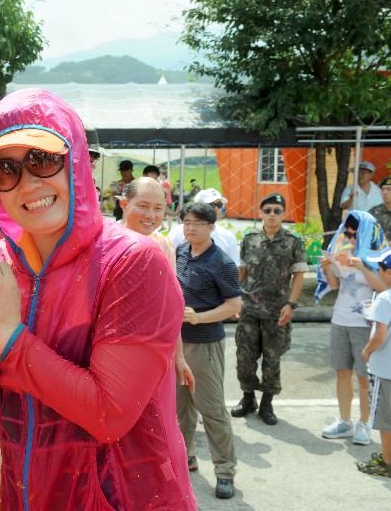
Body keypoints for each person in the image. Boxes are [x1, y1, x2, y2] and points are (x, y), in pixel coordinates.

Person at [0, 89, 194, 509]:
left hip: (120, 496)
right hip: (29, 495)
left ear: (76, 160)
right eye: (4, 170)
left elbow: (109, 414)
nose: (28, 183)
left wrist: (8, 335)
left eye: (43, 160)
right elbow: (0, 408)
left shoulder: (132, 262)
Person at [175, 201, 242, 499]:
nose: (191, 228)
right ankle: (184, 458)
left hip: (205, 345)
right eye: (187, 221)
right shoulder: (181, 252)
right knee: (180, 411)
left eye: (198, 223)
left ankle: (225, 471)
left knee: (212, 411)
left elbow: (234, 306)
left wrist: (199, 317)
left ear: (212, 226)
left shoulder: (222, 263)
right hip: (175, 345)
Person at [232, 193, 309, 425]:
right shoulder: (249, 239)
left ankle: (267, 403)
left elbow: (299, 275)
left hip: (277, 312)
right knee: (244, 358)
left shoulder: (293, 242)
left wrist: (290, 304)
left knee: (272, 359)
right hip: (249, 309)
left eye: (277, 210)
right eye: (268, 211)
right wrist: (234, 298)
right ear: (261, 213)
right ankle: (248, 398)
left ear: (283, 213)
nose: (272, 215)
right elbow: (242, 271)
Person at [120, 177, 196, 393]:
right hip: (113, 349)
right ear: (124, 204)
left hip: (154, 349)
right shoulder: (105, 241)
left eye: (158, 208)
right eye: (143, 206)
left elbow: (171, 306)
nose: (150, 215)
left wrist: (179, 356)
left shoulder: (164, 246)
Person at [319, 211, 387, 445]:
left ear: (367, 231)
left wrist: (363, 267)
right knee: (342, 372)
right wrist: (328, 266)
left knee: (363, 376)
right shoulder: (343, 248)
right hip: (340, 318)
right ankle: (345, 421)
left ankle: (365, 424)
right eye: (346, 232)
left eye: (354, 233)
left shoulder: (380, 255)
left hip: (364, 323)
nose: (350, 237)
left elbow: (383, 288)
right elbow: (334, 285)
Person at [359, 248, 391, 477]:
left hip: (385, 369)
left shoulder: (384, 298)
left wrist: (367, 351)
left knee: (384, 418)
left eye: (379, 268)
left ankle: (388, 462)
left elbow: (380, 335)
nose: (376, 272)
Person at [169, 187, 241, 267]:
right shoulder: (178, 232)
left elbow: (235, 267)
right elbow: (167, 261)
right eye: (212, 205)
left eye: (219, 205)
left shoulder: (227, 236)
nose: (217, 209)